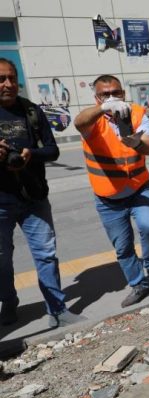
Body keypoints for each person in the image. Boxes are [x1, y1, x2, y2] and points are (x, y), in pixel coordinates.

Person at [73, 74, 149, 308]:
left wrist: (135, 142)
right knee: (123, 247)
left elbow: (148, 148)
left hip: (138, 189)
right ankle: (139, 285)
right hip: (108, 197)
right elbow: (78, 121)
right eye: (105, 95)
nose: (112, 97)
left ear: (124, 94)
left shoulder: (137, 113)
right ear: (97, 98)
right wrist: (103, 109)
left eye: (116, 93)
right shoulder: (92, 121)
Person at [0, 58, 85, 328]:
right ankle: (9, 303)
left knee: (46, 255)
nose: (8, 84)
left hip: (33, 198)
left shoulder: (31, 111)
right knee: (2, 260)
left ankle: (57, 309)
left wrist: (30, 154)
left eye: (12, 78)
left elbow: (52, 150)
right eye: (2, 78)